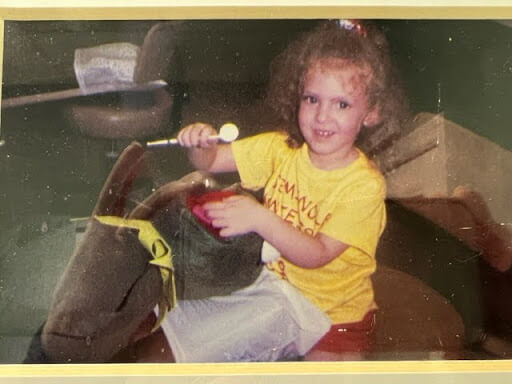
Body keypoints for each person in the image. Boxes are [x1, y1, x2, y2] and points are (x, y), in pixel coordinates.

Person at [156, 19, 409, 362]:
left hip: (333, 319)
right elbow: (211, 161)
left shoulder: (363, 186)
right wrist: (201, 141)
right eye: (312, 99)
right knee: (190, 330)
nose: (322, 116)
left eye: (342, 105)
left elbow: (316, 254)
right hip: (274, 290)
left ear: (372, 112)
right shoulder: (281, 148)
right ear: (297, 96)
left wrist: (259, 218)